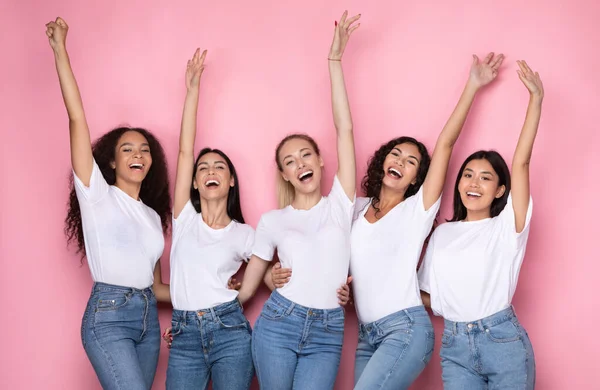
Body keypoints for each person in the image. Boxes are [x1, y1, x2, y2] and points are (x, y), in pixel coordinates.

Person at [235, 11, 360, 390]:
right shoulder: (272, 221)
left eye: (306, 155)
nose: (300, 163)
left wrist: (334, 62)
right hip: (278, 323)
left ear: (321, 162)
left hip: (327, 329)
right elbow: (247, 289)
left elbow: (345, 128)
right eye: (290, 162)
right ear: (286, 175)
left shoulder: (340, 203)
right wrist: (269, 282)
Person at [47, 17, 171, 390]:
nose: (138, 154)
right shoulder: (97, 193)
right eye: (127, 149)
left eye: (145, 150)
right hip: (109, 317)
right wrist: (60, 52)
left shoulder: (152, 216)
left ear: (151, 164)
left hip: (149, 319)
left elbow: (159, 287)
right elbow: (76, 117)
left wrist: (217, 287)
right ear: (112, 161)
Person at [418, 60, 542, 389]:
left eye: (486, 178)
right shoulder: (442, 234)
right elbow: (425, 293)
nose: (474, 182)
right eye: (468, 175)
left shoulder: (507, 226)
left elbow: (521, 161)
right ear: (459, 185)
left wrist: (535, 100)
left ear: (500, 190)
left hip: (501, 340)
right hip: (455, 344)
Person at [165, 48, 254, 390]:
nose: (211, 171)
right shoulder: (184, 217)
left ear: (231, 180)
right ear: (194, 182)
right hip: (184, 334)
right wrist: (192, 90)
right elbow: (185, 150)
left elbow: (269, 273)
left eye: (220, 167)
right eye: (204, 168)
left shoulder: (245, 234)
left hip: (230, 330)